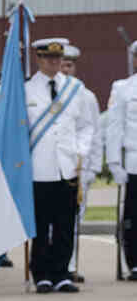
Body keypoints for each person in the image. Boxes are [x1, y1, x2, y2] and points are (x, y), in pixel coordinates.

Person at [24, 37, 93, 292]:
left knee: (65, 223)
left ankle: (62, 272)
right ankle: (41, 274)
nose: (54, 63)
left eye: (58, 58)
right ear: (39, 59)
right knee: (41, 225)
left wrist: (80, 151)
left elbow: (86, 126)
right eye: (48, 58)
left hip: (67, 166)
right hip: (38, 166)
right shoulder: (26, 89)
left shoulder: (76, 88)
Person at [60, 43, 101, 284]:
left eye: (69, 64)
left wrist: (93, 167)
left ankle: (71, 265)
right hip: (53, 168)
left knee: (74, 221)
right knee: (53, 221)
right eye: (62, 63)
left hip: (79, 167)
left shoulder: (86, 97)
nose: (65, 68)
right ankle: (53, 264)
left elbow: (94, 134)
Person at [107, 42, 137, 275]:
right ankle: (134, 261)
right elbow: (114, 127)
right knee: (133, 215)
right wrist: (114, 162)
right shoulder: (123, 88)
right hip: (134, 160)